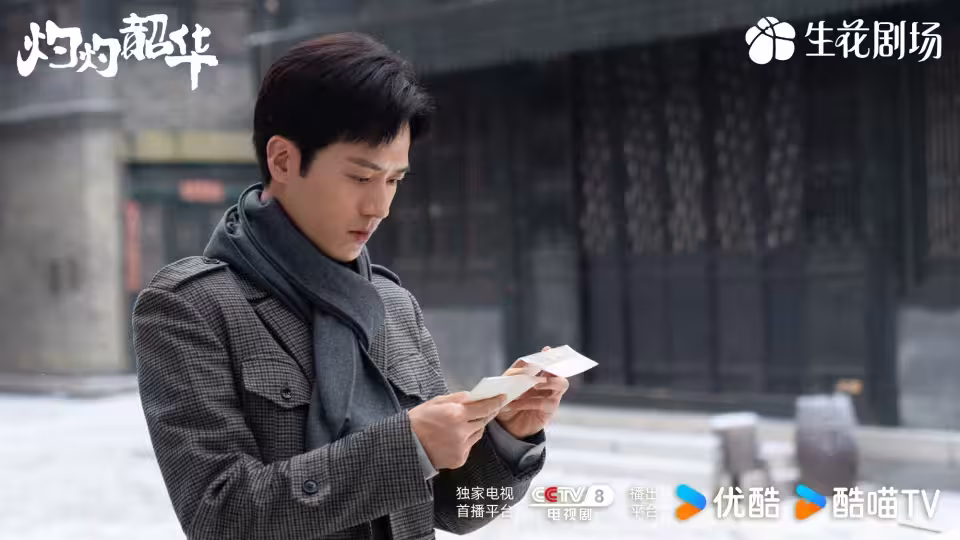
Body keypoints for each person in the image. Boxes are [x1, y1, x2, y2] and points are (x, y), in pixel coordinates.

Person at [132, 32, 569, 540]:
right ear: (283, 160)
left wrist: (509, 433)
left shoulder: (392, 304)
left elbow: (453, 508)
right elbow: (219, 516)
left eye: (394, 181)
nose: (379, 207)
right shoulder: (192, 308)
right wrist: (407, 447)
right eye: (361, 178)